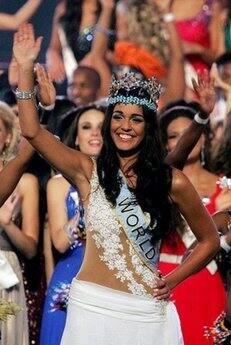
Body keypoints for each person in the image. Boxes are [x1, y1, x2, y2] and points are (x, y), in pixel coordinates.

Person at [14, 23, 220, 345]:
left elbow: (209, 240)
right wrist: (25, 69)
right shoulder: (86, 169)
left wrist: (174, 279)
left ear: (148, 128)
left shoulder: (171, 180)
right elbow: (31, 131)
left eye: (136, 119)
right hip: (91, 310)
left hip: (147, 312)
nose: (125, 126)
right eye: (118, 117)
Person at [158, 99, 230, 345]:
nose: (182, 140)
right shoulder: (159, 183)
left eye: (189, 132)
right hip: (166, 279)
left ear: (203, 137)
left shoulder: (226, 188)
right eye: (173, 135)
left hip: (207, 280)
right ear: (165, 143)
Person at [40, 104, 105, 345]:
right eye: (87, 127)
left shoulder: (126, 182)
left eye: (101, 127)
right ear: (77, 138)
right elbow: (59, 242)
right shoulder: (58, 184)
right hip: (70, 280)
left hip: (108, 280)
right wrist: (87, 202)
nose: (94, 133)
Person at [0, 101, 39, 345]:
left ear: (7, 137)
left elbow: (31, 249)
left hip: (6, 276)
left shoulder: (25, 183)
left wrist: (7, 223)